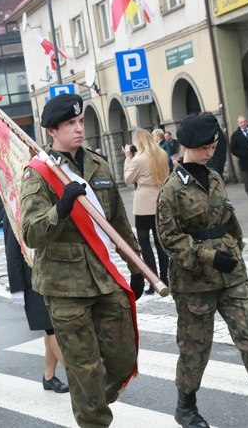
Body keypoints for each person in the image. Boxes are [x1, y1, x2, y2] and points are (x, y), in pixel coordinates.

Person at [156, 114, 248, 428]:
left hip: (232, 274)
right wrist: (208, 256)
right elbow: (169, 239)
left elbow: (228, 220)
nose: (210, 153)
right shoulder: (171, 189)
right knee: (195, 349)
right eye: (204, 148)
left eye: (213, 146)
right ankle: (186, 408)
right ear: (188, 147)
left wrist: (235, 248)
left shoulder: (215, 177)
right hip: (195, 281)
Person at [20, 93, 143, 427]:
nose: (78, 129)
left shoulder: (98, 165)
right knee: (84, 368)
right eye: (69, 124)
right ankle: (92, 416)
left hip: (103, 276)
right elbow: (30, 232)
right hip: (64, 286)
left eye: (80, 122)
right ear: (52, 131)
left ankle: (90, 401)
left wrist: (136, 266)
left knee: (122, 357)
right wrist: (60, 209)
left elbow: (118, 221)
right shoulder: (39, 173)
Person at [3, 214, 68, 394]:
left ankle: (48, 376)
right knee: (53, 328)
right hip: (30, 278)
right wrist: (16, 286)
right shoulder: (12, 203)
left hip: (51, 272)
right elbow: (11, 246)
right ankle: (76, 376)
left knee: (51, 327)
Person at [123, 128, 171, 290]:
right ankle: (165, 277)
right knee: (160, 242)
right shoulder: (162, 154)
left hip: (144, 202)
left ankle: (153, 280)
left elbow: (129, 178)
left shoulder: (139, 159)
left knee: (144, 242)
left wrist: (128, 158)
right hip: (160, 199)